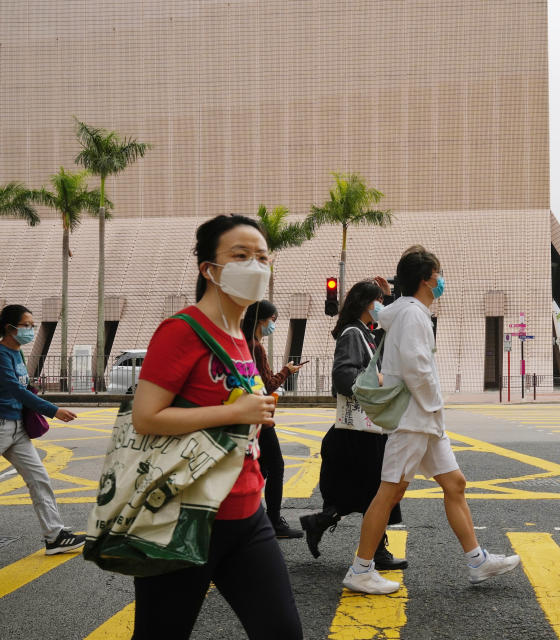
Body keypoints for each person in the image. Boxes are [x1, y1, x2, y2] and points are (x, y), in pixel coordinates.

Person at [129, 214, 302, 639]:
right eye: (240, 256)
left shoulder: (240, 334)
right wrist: (233, 413)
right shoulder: (180, 331)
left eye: (262, 257)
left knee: (282, 632)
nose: (256, 266)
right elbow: (146, 417)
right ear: (209, 269)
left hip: (247, 514)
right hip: (183, 519)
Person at [342, 247, 520, 595]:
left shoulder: (406, 311)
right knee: (389, 492)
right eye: (438, 274)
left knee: (455, 484)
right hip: (414, 418)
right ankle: (360, 569)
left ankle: (477, 561)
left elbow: (384, 314)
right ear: (426, 279)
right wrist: (435, 402)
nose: (442, 280)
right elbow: (415, 365)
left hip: (425, 419)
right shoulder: (413, 316)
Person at [299, 278, 406, 570]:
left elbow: (395, 323)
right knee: (379, 489)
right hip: (359, 431)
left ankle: (319, 522)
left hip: (364, 431)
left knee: (366, 491)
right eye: (379, 302)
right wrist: (380, 380)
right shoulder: (352, 334)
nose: (382, 307)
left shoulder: (365, 333)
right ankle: (376, 553)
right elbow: (343, 378)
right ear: (365, 304)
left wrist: (391, 294)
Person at [0, 304, 85, 555]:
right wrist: (53, 410)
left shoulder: (18, 353)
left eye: (33, 325)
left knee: (39, 479)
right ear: (10, 328)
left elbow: (24, 388)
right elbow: (16, 389)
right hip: (2, 424)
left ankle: (55, 536)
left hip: (18, 429)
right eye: (26, 325)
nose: (31, 330)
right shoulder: (1, 354)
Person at [242, 299, 305, 539]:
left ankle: (253, 515)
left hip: (246, 416)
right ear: (262, 320)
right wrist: (286, 371)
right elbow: (267, 386)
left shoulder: (243, 343)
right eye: (273, 320)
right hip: (260, 417)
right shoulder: (256, 347)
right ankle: (274, 522)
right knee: (276, 466)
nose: (273, 325)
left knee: (260, 467)